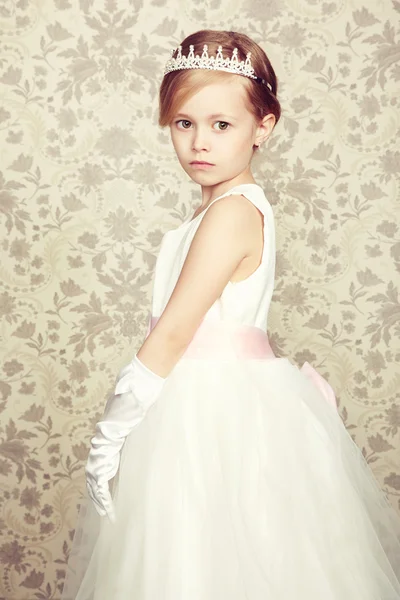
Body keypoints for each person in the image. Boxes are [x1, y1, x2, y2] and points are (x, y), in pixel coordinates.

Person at [61, 29, 400, 600]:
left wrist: (109, 435)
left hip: (214, 415)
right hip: (200, 403)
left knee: (210, 561)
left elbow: (173, 333)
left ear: (262, 128)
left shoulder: (232, 213)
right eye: (183, 122)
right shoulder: (217, 212)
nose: (199, 142)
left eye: (222, 125)